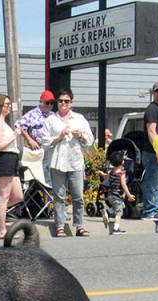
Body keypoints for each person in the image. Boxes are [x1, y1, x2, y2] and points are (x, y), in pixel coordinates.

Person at [42, 88, 94, 237]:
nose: (63, 103)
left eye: (66, 101)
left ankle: (79, 226)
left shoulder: (79, 118)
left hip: (75, 162)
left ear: (71, 103)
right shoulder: (51, 120)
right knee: (59, 197)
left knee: (78, 196)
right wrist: (58, 137)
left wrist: (81, 136)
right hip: (57, 163)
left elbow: (90, 140)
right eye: (60, 101)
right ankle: (59, 226)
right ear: (56, 103)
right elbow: (44, 143)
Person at [0, 93, 24, 240]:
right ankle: (2, 230)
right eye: (6, 105)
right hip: (4, 159)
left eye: (9, 105)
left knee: (18, 196)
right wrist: (14, 135)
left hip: (12, 158)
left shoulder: (4, 123)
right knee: (4, 197)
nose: (8, 107)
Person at [141, 81, 158, 218]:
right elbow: (151, 131)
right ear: (153, 93)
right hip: (152, 153)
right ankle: (149, 211)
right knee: (152, 182)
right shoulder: (151, 109)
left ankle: (156, 210)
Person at [19, 90, 56, 180]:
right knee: (42, 172)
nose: (50, 105)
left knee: (51, 172)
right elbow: (20, 125)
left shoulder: (53, 115)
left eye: (52, 103)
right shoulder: (33, 114)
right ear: (41, 102)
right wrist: (30, 140)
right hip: (38, 148)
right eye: (47, 103)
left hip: (52, 148)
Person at [98, 150, 135, 235]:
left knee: (120, 206)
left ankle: (107, 212)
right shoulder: (121, 173)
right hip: (116, 196)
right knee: (119, 212)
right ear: (122, 162)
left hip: (110, 195)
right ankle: (116, 228)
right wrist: (129, 195)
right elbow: (123, 184)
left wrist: (102, 174)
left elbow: (106, 176)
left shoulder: (112, 172)